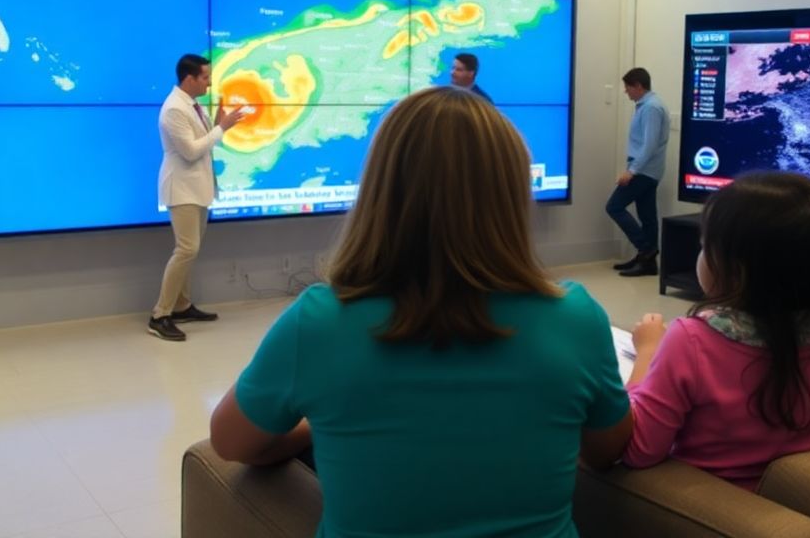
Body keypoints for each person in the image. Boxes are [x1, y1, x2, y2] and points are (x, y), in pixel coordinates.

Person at [209, 86, 632, 537]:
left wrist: (320, 426)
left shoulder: (318, 323)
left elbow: (231, 443)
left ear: (379, 191)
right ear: (511, 196)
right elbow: (608, 449)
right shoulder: (576, 318)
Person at [623, 172, 810, 490]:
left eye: (705, 246)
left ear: (737, 269)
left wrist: (648, 352)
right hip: (806, 499)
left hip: (712, 508)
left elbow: (637, 450)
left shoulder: (692, 340)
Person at [149, 53, 247, 342]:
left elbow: (202, 144)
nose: (209, 82)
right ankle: (159, 315)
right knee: (186, 250)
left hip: (197, 188)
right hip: (181, 189)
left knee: (190, 249)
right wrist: (222, 127)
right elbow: (191, 151)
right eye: (205, 77)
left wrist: (214, 124)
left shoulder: (192, 106)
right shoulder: (173, 110)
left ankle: (181, 306)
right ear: (189, 78)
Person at [607, 67, 669, 277]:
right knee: (647, 215)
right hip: (648, 170)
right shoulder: (647, 105)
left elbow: (649, 145)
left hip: (643, 171)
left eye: (627, 87)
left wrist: (631, 171)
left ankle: (646, 250)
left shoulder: (651, 108)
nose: (626, 92)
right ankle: (648, 263)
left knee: (614, 207)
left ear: (638, 86)